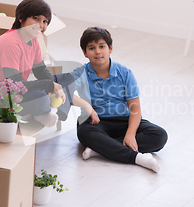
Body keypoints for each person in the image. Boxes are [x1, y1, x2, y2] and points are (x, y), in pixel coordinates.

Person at [71, 27, 167, 172]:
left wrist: (130, 134)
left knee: (159, 135)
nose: (97, 51)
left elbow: (135, 108)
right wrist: (86, 106)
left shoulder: (125, 73)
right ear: (85, 52)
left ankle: (99, 149)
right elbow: (64, 92)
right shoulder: (81, 72)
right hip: (95, 122)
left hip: (124, 120)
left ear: (110, 48)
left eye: (102, 46)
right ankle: (138, 158)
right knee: (84, 132)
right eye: (92, 48)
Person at [0, 0, 64, 127]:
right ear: (21, 18)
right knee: (41, 98)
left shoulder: (33, 39)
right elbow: (15, 83)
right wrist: (48, 86)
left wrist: (54, 85)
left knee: (57, 87)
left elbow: (40, 69)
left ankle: (39, 110)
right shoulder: (10, 44)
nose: (41, 25)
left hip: (13, 89)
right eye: (36, 18)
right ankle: (40, 112)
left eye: (45, 21)